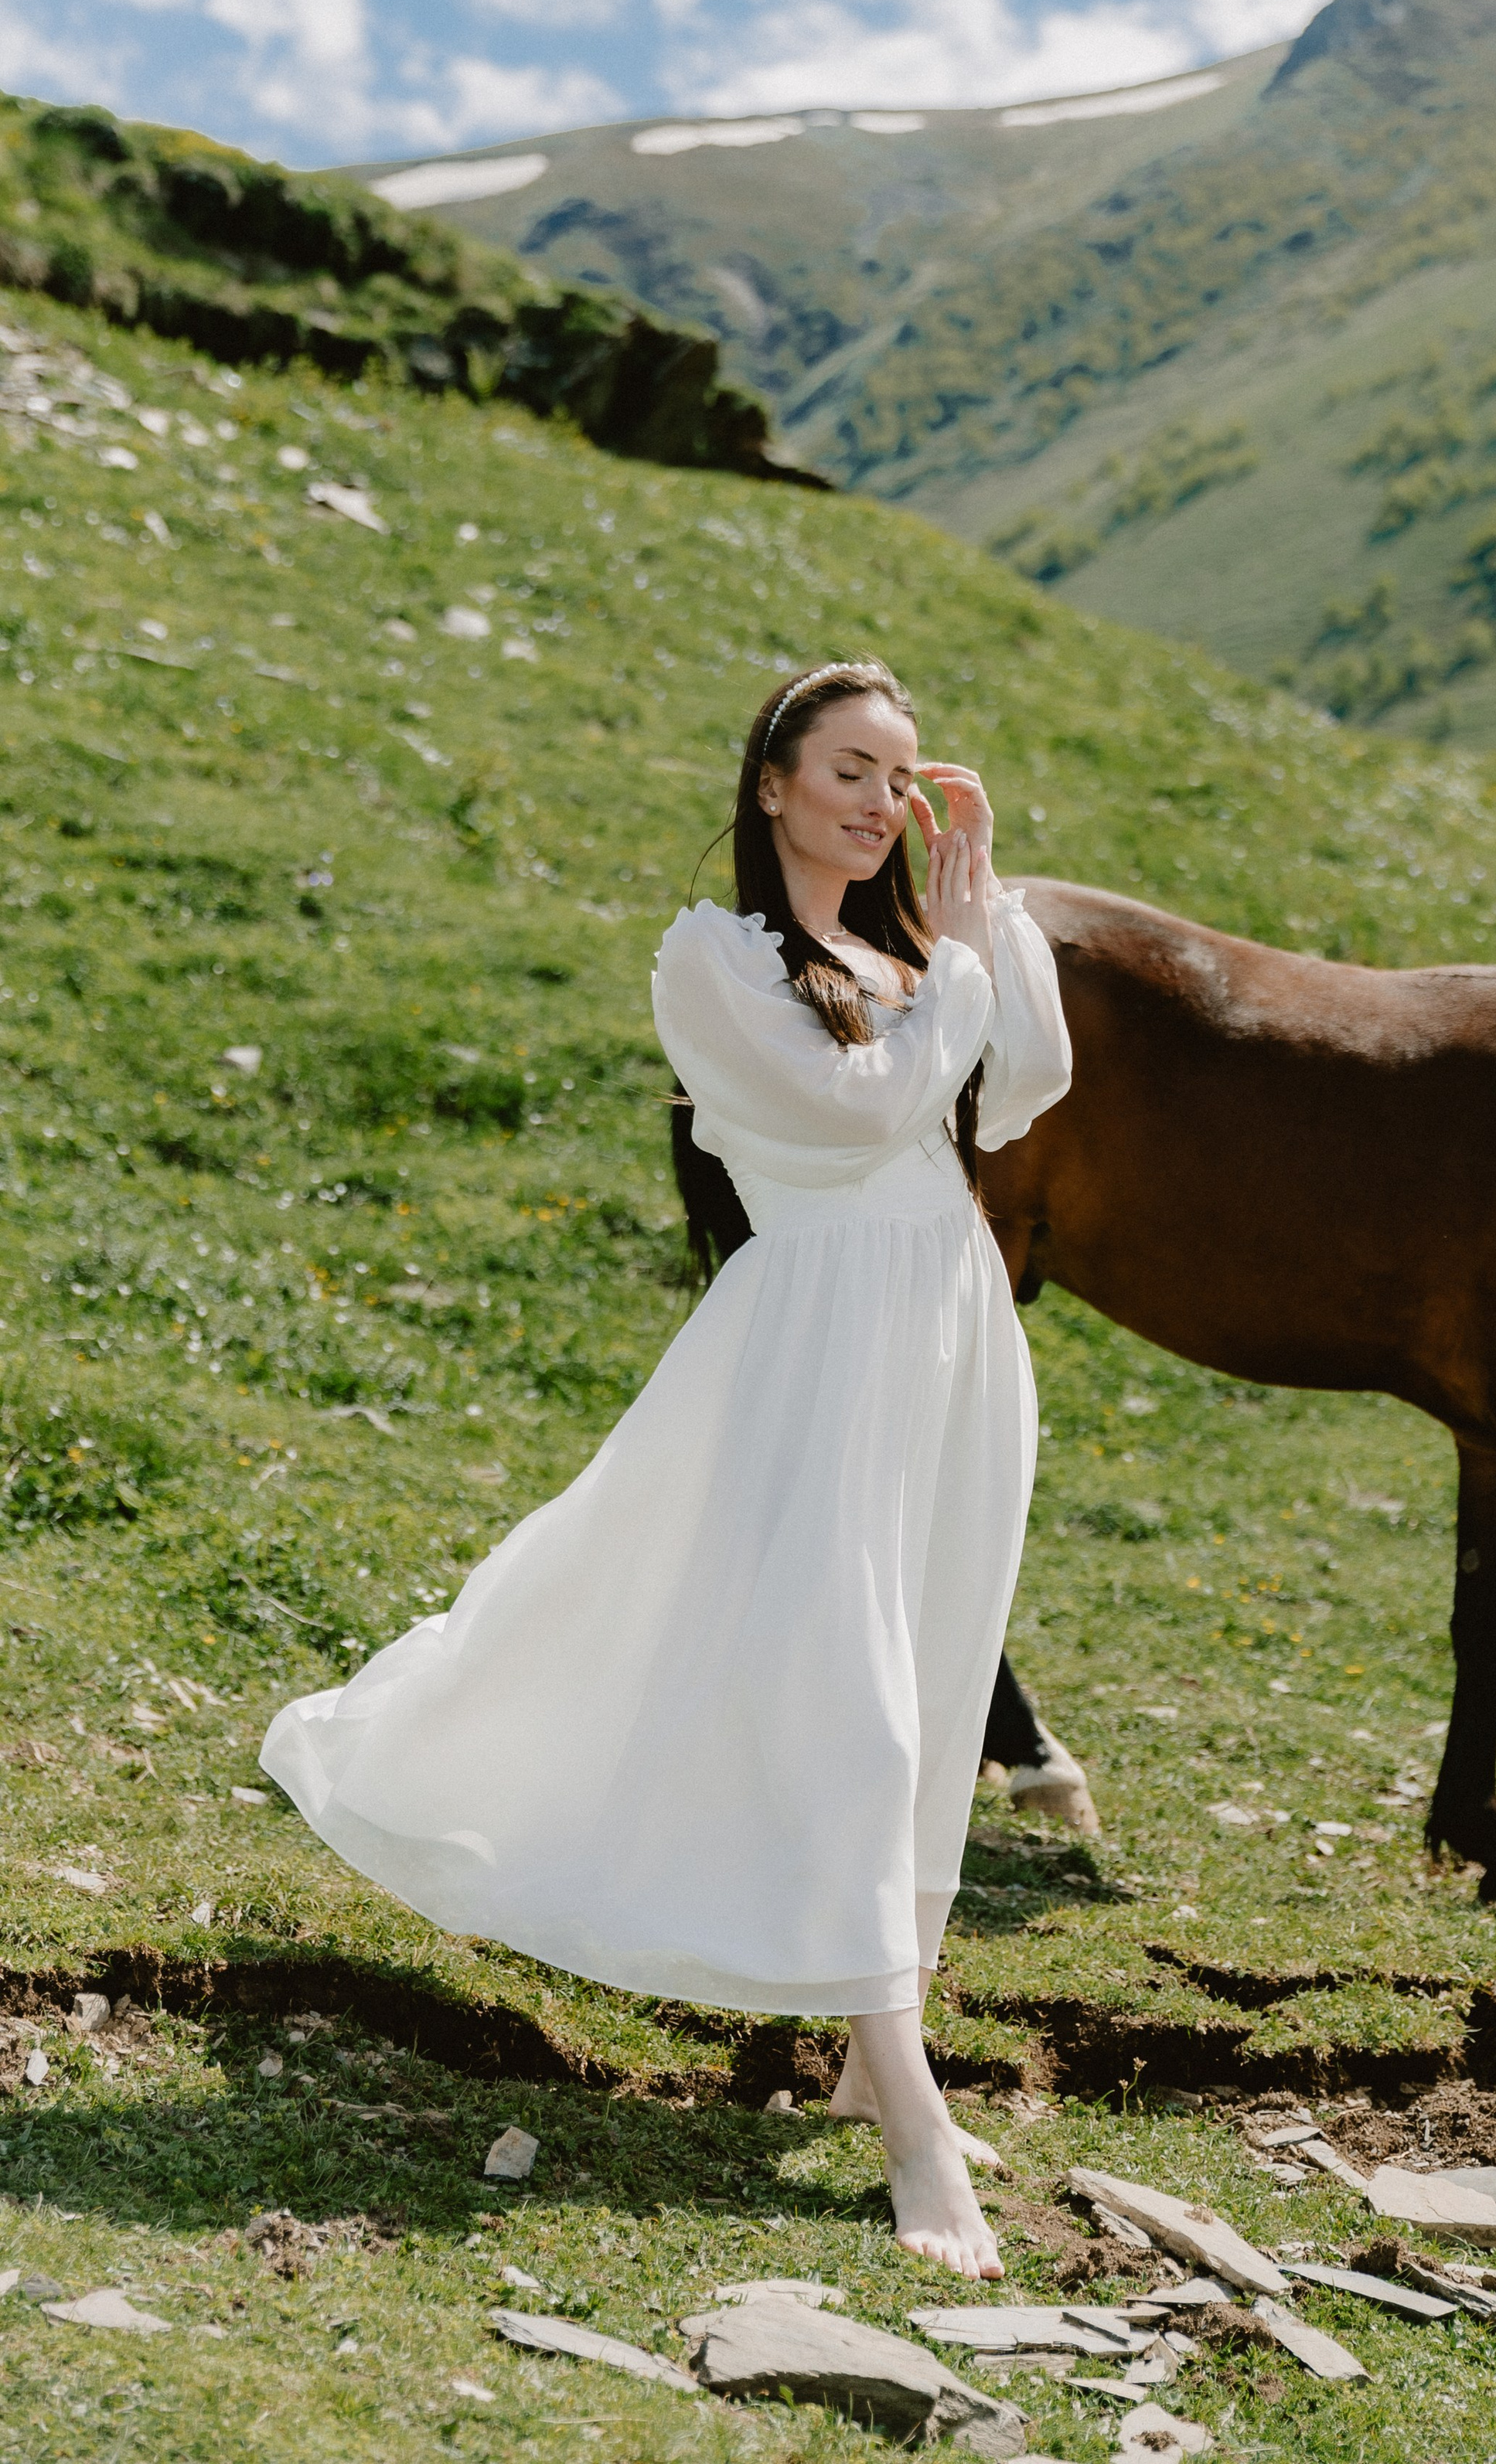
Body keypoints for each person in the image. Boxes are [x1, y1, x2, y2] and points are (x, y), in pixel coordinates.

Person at [260, 659, 1073, 2277]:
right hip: (820, 1340)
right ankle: (916, 2128)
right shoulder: (710, 959)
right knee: (850, 1694)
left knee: (924, 1670)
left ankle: (862, 2060)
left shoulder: (912, 948)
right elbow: (862, 1113)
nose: (872, 802)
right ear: (770, 780)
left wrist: (974, 892)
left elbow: (1021, 1085)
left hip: (950, 1335)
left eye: (895, 780)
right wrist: (963, 968)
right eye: (845, 768)